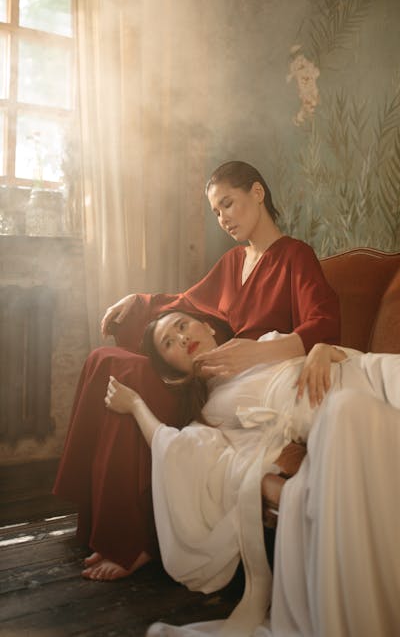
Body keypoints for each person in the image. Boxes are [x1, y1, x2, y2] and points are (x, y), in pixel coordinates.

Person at [105, 311, 400, 637]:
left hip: (380, 374)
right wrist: (138, 405)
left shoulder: (268, 341)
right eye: (168, 344)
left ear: (207, 326)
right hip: (350, 415)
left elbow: (335, 351)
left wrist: (321, 351)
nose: (180, 337)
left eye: (181, 324)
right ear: (173, 368)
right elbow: (181, 452)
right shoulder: (214, 413)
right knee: (349, 417)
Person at [52, 161, 341, 581]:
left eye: (229, 204)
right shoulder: (231, 264)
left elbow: (324, 323)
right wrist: (140, 298)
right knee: (106, 359)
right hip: (216, 378)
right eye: (216, 212)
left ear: (257, 193)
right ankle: (99, 522)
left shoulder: (295, 256)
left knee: (127, 375)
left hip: (253, 385)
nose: (223, 218)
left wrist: (256, 355)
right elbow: (185, 304)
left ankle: (135, 542)